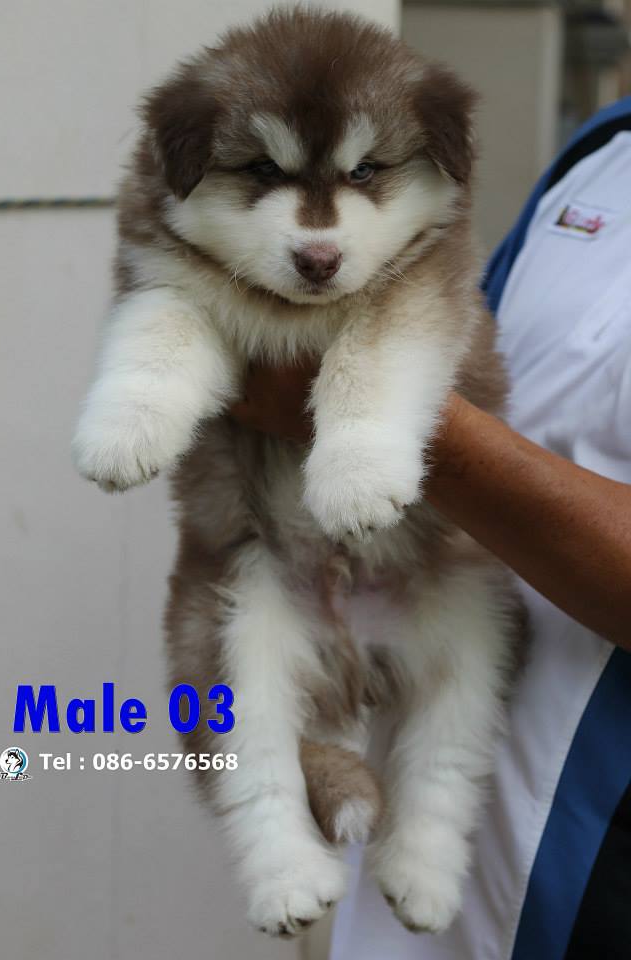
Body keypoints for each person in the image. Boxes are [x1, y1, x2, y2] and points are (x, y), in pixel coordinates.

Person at [230, 97, 631, 959]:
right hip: (426, 840)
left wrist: (389, 419)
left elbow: (442, 427)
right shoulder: (607, 148)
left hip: (585, 891)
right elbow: (479, 381)